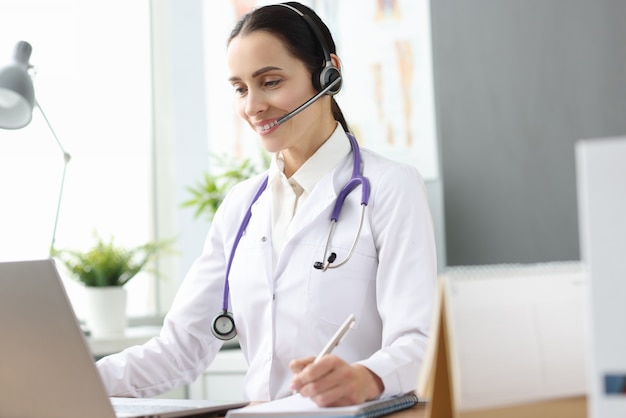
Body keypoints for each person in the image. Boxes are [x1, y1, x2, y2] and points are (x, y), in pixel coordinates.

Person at [96, 1, 437, 407]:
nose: (252, 106)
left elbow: (419, 342)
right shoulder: (241, 207)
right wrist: (69, 376)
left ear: (328, 73)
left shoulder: (390, 187)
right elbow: (178, 350)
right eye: (240, 88)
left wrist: (366, 377)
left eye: (271, 81)